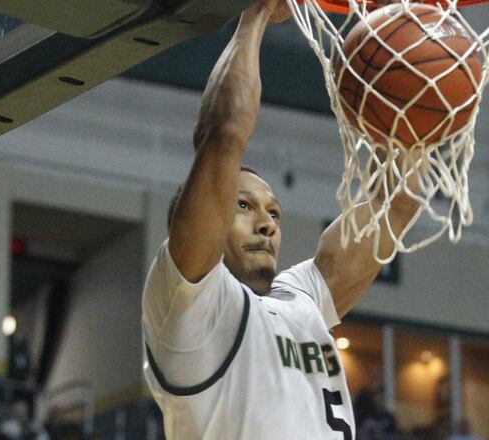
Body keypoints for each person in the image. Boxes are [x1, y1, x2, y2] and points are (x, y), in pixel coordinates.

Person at [140, 0, 420, 438]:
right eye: (244, 206)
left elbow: (398, 200)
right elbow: (225, 133)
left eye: (274, 212)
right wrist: (258, 13)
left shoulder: (301, 300)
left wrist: (409, 60)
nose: (267, 224)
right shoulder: (186, 302)